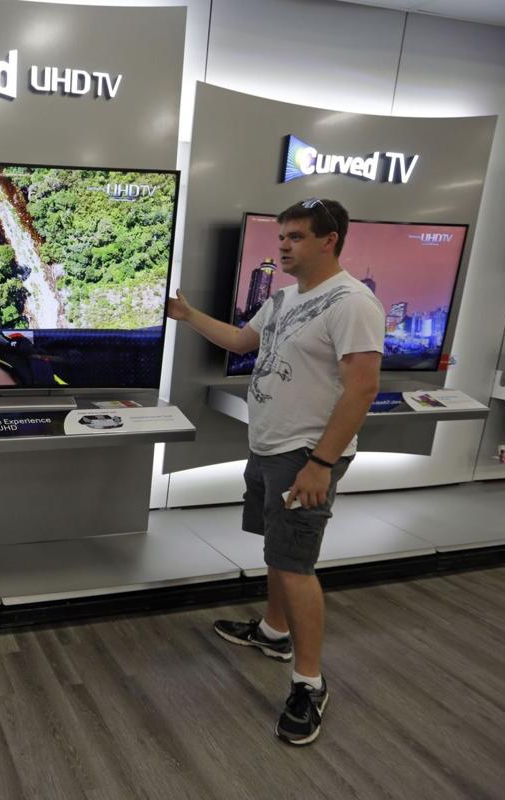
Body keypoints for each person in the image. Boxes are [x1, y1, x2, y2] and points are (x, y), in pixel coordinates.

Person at [167, 197, 383, 746]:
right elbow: (242, 341)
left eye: (296, 236)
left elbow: (362, 389)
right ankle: (273, 631)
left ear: (329, 240)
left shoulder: (353, 303)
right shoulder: (285, 297)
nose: (283, 245)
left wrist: (320, 463)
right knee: (279, 553)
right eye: (281, 236)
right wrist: (189, 316)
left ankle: (309, 683)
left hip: (304, 454)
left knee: (295, 564)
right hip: (270, 446)